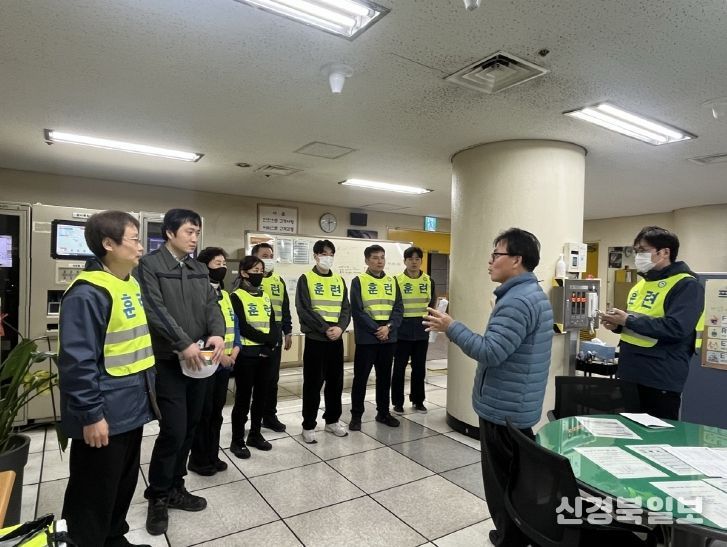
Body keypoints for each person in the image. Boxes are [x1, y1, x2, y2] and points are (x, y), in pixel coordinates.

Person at [424, 228, 553, 547]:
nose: (490, 261)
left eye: (496, 254)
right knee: (516, 479)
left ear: (516, 260)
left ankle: (511, 538)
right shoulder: (531, 294)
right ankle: (518, 534)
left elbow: (490, 351)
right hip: (515, 403)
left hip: (503, 409)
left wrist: (451, 327)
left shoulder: (518, 301)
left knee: (502, 482)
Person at [59, 210, 156, 547]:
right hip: (104, 413)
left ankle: (114, 539)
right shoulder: (87, 293)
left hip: (131, 406)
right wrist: (91, 415)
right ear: (109, 244)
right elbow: (77, 362)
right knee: (93, 493)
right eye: (135, 240)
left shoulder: (129, 283)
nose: (141, 247)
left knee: (121, 484)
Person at [135, 208, 225, 536]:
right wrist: (182, 342)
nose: (194, 237)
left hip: (199, 360)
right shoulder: (149, 265)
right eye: (189, 231)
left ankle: (176, 486)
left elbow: (211, 305)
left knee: (190, 426)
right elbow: (153, 308)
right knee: (173, 429)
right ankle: (158, 495)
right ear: (170, 233)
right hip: (168, 360)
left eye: (197, 232)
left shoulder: (198, 268)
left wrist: (218, 333)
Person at [600, 226, 704, 420]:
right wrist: (617, 325)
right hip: (630, 371)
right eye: (636, 251)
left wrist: (628, 320)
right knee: (626, 430)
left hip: (659, 376)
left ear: (665, 252)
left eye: (643, 250)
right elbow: (636, 321)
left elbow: (676, 327)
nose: (638, 256)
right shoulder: (641, 284)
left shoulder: (687, 285)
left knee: (656, 433)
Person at [188, 247, 238, 476]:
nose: (223, 268)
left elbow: (233, 324)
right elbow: (197, 331)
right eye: (218, 264)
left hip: (224, 364)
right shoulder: (196, 293)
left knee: (216, 412)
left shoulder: (224, 295)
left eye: (224, 264)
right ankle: (198, 460)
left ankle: (212, 454)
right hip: (207, 363)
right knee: (203, 413)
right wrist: (220, 356)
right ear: (204, 267)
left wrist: (235, 350)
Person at [296, 240, 352, 443]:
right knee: (313, 384)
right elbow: (304, 309)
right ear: (315, 256)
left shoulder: (338, 280)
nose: (327, 257)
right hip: (316, 339)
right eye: (323, 254)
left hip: (336, 339)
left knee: (335, 383)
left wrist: (340, 328)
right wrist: (325, 328)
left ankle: (332, 421)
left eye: (330, 254)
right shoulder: (306, 279)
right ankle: (308, 425)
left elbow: (345, 308)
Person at [349, 244, 404, 431]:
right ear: (366, 260)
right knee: (361, 378)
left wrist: (388, 327)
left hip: (388, 337)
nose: (379, 261)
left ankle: (383, 413)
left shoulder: (392, 281)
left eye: (382, 257)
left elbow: (398, 309)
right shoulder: (358, 281)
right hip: (367, 339)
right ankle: (356, 416)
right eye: (375, 257)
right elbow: (357, 311)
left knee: (384, 378)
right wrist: (377, 329)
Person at [228, 256, 279, 458]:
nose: (259, 274)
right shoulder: (236, 296)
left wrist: (271, 343)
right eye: (255, 270)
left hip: (266, 353)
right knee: (243, 398)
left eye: (261, 270)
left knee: (261, 396)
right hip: (247, 354)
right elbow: (242, 326)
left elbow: (272, 322)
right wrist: (266, 340)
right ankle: (237, 440)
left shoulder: (264, 296)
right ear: (244, 273)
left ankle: (255, 434)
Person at [252, 242, 292, 433]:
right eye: (264, 256)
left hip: (275, 336)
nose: (268, 259)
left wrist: (288, 331)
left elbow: (285, 308)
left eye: (270, 256)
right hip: (254, 338)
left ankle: (269, 416)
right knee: (255, 381)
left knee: (272, 380)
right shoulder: (249, 281)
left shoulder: (278, 280)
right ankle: (254, 418)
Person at [392, 246, 437, 415]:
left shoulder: (428, 280)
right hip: (401, 331)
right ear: (404, 261)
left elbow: (432, 304)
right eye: (410, 259)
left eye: (417, 259)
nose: (414, 262)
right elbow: (394, 306)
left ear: (421, 261)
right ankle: (397, 402)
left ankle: (418, 401)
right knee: (399, 368)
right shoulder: (396, 281)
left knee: (419, 368)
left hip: (421, 330)